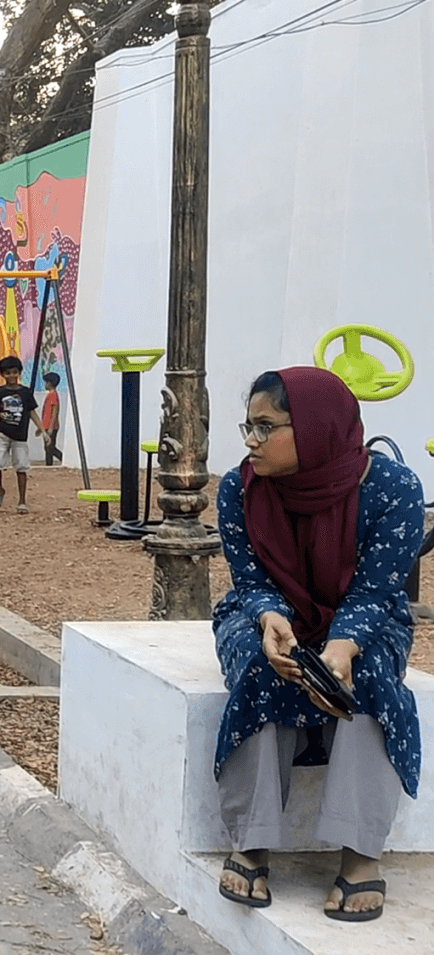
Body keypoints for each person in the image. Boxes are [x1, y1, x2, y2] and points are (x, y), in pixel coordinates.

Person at [212, 367, 424, 922]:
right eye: (248, 426)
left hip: (367, 618)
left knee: (372, 678)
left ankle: (358, 854)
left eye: (265, 427)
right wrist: (268, 618)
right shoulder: (240, 487)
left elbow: (378, 590)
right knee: (260, 669)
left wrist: (344, 647)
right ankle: (252, 841)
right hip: (264, 613)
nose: (250, 442)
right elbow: (250, 580)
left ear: (313, 427)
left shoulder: (394, 488)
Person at [0, 356, 42, 513]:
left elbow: (32, 412)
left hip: (20, 436)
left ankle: (22, 501)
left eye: (14, 372)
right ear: (3, 374)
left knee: (22, 467)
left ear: (19, 373)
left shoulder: (25, 392)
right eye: (8, 373)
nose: (11, 376)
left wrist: (42, 430)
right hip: (2, 433)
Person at [40, 371, 63, 465]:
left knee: (50, 448)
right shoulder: (51, 395)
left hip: (50, 426)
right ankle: (48, 464)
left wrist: (51, 427)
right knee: (48, 447)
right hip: (46, 425)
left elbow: (54, 411)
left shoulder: (53, 395)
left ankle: (61, 458)